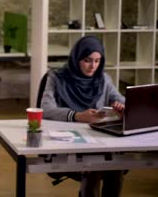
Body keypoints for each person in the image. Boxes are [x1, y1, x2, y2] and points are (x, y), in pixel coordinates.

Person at [40, 35, 125, 197]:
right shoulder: (56, 77)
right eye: (87, 60)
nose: (93, 66)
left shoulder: (103, 79)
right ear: (77, 57)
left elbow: (122, 101)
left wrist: (122, 108)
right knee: (94, 164)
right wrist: (77, 116)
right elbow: (46, 109)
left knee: (116, 165)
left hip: (98, 139)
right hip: (67, 142)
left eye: (97, 61)